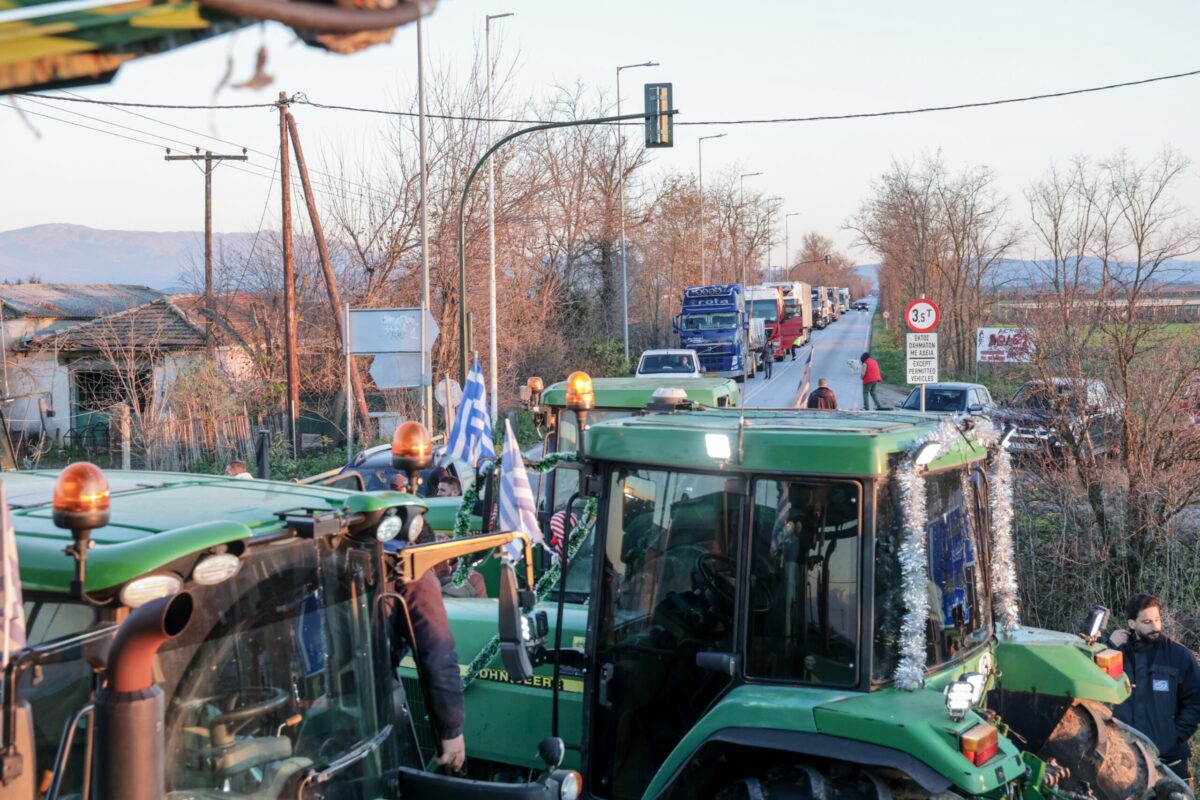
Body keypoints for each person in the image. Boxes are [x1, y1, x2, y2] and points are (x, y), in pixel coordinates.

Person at [1108, 593, 1200, 779]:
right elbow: (1088, 684)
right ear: (1132, 624)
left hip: (1169, 762)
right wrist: (1107, 644)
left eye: (1157, 620)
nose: (1155, 627)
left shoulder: (1179, 657)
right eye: (1147, 622)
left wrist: (1172, 737)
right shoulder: (1115, 654)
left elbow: (1196, 701)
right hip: (1123, 760)